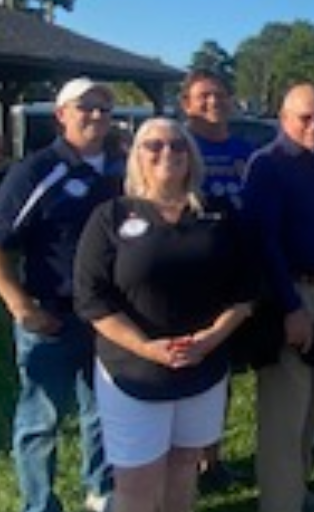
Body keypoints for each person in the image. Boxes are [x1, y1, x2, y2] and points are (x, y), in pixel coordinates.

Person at [74, 118, 255, 512]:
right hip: (133, 372)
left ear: (191, 157)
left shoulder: (219, 214)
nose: (166, 153)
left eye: (177, 146)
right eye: (153, 145)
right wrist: (146, 347)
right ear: (135, 156)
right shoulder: (112, 216)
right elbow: (91, 299)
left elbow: (246, 291)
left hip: (202, 367)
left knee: (184, 468)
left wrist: (210, 339)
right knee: (137, 483)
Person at [0, 78, 119, 512]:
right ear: (61, 116)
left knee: (102, 414)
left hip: (108, 319)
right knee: (41, 421)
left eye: (104, 109)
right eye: (85, 107)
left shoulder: (122, 168)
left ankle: (102, 492)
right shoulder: (36, 171)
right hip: (52, 318)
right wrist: (21, 307)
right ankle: (39, 505)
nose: (96, 115)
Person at [242, 84, 314, 512]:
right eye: (306, 117)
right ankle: (280, 503)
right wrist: (291, 307)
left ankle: (297, 491)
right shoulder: (269, 165)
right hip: (294, 295)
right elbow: (263, 243)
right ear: (284, 119)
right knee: (285, 409)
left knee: (310, 403)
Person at [179, 69, 257, 491]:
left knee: (221, 373)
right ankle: (185, 463)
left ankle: (213, 458)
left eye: (221, 95)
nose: (214, 102)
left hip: (235, 274)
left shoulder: (245, 149)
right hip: (191, 274)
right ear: (186, 104)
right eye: (204, 96)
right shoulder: (179, 147)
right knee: (188, 366)